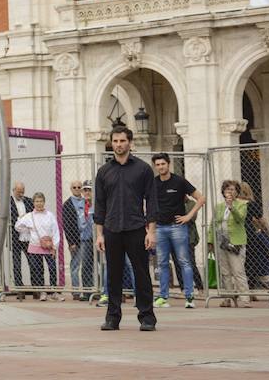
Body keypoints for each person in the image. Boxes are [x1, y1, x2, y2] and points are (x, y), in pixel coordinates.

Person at [94, 127, 158, 331]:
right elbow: (100, 205)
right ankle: (113, 318)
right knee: (113, 275)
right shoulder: (104, 171)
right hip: (112, 229)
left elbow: (152, 201)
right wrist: (99, 234)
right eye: (115, 141)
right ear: (111, 143)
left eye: (122, 141)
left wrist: (151, 231)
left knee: (141, 274)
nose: (118, 144)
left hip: (136, 228)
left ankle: (147, 317)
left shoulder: (143, 169)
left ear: (130, 142)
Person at [151, 153, 205, 309]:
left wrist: (188, 216)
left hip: (178, 227)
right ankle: (163, 296)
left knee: (184, 262)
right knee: (162, 263)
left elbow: (201, 198)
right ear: (155, 166)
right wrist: (151, 227)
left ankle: (189, 296)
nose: (161, 167)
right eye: (158, 164)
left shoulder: (179, 181)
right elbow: (147, 203)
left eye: (163, 164)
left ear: (168, 164)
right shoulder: (153, 183)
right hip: (160, 228)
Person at [208, 180, 250, 307]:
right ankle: (229, 298)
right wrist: (210, 241)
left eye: (232, 189)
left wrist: (232, 207)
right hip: (222, 242)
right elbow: (213, 224)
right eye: (227, 189)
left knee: (238, 271)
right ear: (223, 192)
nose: (229, 192)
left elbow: (240, 219)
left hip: (235, 242)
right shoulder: (219, 206)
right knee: (225, 272)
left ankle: (245, 299)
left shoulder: (242, 205)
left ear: (237, 192)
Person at [15, 192, 63, 301]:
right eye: (37, 201)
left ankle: (54, 291)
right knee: (38, 270)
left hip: (49, 246)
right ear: (33, 203)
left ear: (44, 202)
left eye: (41, 201)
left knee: (52, 269)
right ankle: (42, 292)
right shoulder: (29, 216)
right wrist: (28, 229)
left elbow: (55, 231)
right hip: (35, 246)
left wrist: (55, 246)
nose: (39, 203)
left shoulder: (50, 215)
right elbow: (17, 226)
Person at [62, 181, 95, 300]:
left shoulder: (87, 202)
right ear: (71, 189)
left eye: (79, 187)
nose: (77, 189)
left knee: (91, 264)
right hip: (76, 239)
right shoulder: (67, 204)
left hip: (90, 238)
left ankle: (92, 289)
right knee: (76, 265)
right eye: (74, 187)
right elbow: (67, 224)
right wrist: (71, 242)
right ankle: (76, 291)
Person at [9, 182, 34, 298]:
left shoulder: (29, 201)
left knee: (33, 262)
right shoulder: (8, 201)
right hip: (15, 237)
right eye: (19, 191)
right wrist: (20, 219)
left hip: (28, 236)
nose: (21, 194)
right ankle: (20, 289)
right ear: (14, 190)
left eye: (23, 191)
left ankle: (36, 287)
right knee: (17, 263)